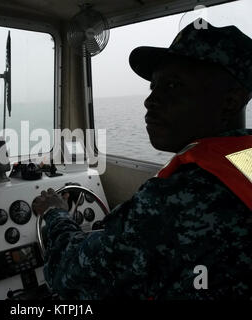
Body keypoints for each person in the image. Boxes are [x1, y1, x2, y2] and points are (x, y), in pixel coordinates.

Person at [32, 19, 252, 299]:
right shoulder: (243, 161)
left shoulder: (176, 199)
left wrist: (55, 213)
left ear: (231, 101)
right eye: (153, 87)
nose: (150, 101)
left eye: (173, 85)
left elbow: (69, 276)